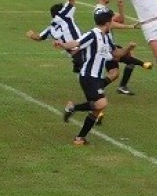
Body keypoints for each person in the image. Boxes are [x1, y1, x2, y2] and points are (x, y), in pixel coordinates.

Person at [58, 9, 135, 145]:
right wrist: (62, 44)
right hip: (88, 76)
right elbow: (76, 43)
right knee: (101, 103)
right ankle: (72, 107)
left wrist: (127, 48)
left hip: (96, 78)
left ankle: (80, 138)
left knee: (97, 109)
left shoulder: (106, 37)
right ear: (107, 22)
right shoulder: (93, 34)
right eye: (112, 21)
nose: (113, 23)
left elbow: (116, 54)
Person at [94, 0, 152, 96]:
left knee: (114, 73)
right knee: (126, 56)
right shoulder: (98, 11)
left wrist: (120, 6)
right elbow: (110, 25)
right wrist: (130, 26)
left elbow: (120, 19)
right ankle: (143, 64)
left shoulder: (106, 10)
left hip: (109, 44)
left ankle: (102, 88)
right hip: (105, 45)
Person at [25, 0, 83, 73]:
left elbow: (38, 37)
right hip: (82, 49)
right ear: (60, 11)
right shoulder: (64, 15)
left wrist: (31, 35)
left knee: (83, 74)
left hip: (73, 54)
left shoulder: (51, 29)